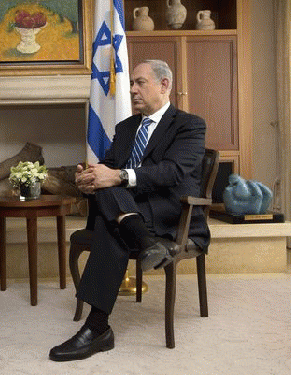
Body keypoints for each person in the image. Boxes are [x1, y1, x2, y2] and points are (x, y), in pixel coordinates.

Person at [49, 60, 210, 361]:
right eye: (131, 85)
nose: (133, 90)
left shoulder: (189, 125)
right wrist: (89, 180)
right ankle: (144, 243)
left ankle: (96, 329)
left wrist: (117, 177)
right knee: (108, 194)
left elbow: (172, 172)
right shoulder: (126, 128)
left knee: (112, 218)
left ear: (164, 85)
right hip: (131, 210)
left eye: (140, 83)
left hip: (170, 213)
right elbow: (109, 167)